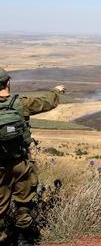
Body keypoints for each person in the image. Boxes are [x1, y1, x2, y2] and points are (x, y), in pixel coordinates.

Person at [0, 68, 65, 246]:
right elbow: (47, 102)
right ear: (8, 83)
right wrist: (56, 91)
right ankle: (24, 239)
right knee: (24, 203)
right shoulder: (21, 103)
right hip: (21, 164)